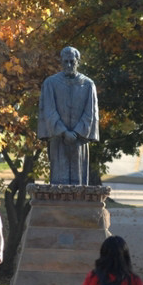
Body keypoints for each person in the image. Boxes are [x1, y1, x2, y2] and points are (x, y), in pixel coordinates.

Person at [37, 46, 99, 185]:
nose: (69, 65)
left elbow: (91, 112)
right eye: (65, 61)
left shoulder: (88, 84)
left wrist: (77, 132)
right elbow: (49, 110)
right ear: (61, 62)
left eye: (72, 61)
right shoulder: (50, 83)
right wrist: (63, 132)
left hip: (79, 138)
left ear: (78, 61)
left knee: (79, 182)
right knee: (58, 180)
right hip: (58, 137)